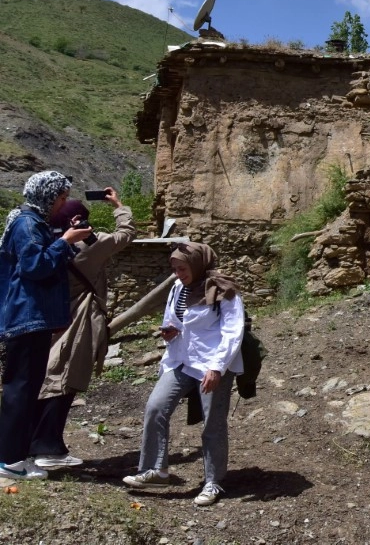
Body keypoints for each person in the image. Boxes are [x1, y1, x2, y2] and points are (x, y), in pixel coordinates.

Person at [123, 243, 244, 507]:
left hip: (212, 364)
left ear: (198, 264)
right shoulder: (178, 289)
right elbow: (174, 320)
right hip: (181, 360)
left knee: (213, 422)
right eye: (175, 269)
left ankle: (213, 481)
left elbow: (233, 331)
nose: (178, 274)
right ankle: (156, 470)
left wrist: (217, 368)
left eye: (182, 268)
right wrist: (170, 331)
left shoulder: (224, 290)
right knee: (156, 407)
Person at [30, 187, 136, 470]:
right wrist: (118, 205)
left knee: (47, 379)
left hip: (48, 320)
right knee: (64, 381)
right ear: (77, 220)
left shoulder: (47, 246)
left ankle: (33, 442)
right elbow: (125, 235)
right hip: (78, 321)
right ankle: (48, 447)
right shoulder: (86, 249)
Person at [0, 170, 92, 480]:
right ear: (46, 196)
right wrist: (65, 241)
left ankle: (17, 455)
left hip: (34, 317)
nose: (61, 205)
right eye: (61, 198)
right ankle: (10, 461)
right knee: (20, 389)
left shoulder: (33, 223)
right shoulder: (27, 224)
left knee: (26, 388)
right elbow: (34, 266)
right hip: (27, 315)